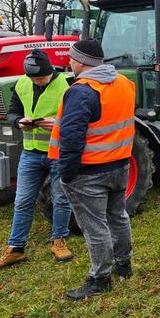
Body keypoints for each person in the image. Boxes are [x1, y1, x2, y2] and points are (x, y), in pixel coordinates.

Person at [48, 39, 136, 299]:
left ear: (83, 62)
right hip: (120, 166)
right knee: (118, 216)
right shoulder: (123, 83)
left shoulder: (82, 90)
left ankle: (100, 278)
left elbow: (72, 137)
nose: (69, 63)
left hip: (90, 173)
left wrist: (66, 173)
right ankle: (124, 264)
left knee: (95, 226)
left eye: (72, 59)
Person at [0, 50, 72, 272]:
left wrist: (57, 122)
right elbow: (12, 112)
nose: (37, 81)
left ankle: (59, 241)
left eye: (41, 78)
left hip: (58, 152)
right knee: (22, 201)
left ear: (50, 72)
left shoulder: (67, 85)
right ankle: (15, 248)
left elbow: (78, 118)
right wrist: (19, 121)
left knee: (60, 199)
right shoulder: (21, 84)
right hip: (31, 152)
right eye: (33, 78)